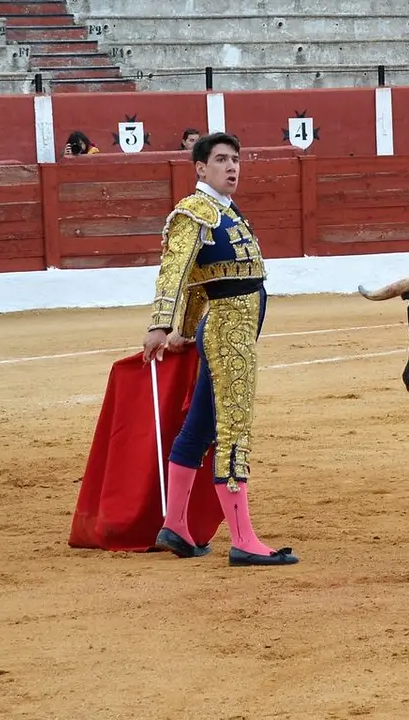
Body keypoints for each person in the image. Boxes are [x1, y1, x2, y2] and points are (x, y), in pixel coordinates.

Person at [141, 131, 298, 567]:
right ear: (200, 168)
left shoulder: (224, 211)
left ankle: (175, 525)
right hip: (230, 328)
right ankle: (244, 539)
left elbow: (198, 282)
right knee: (234, 425)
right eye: (223, 160)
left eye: (237, 160)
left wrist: (186, 332)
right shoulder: (194, 212)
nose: (233, 167)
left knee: (202, 424)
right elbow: (175, 271)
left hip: (228, 324)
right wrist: (160, 325)